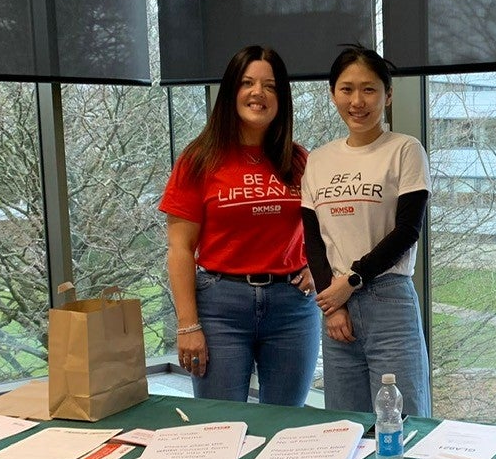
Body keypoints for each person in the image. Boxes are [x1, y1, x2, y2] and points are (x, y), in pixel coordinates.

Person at [159, 45, 320, 404]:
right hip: (220, 308)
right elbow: (180, 249)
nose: (257, 93)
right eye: (247, 83)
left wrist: (318, 267)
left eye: (270, 86)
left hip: (291, 307)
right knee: (220, 427)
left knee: (286, 426)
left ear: (282, 98)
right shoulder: (199, 159)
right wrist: (188, 325)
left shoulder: (298, 160)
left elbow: (328, 226)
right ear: (231, 92)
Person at [301, 45, 432, 416]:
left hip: (387, 300)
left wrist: (353, 280)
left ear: (388, 95)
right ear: (332, 95)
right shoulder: (318, 159)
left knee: (403, 423)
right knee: (346, 425)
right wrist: (332, 305)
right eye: (346, 89)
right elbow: (314, 241)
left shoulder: (405, 150)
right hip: (336, 304)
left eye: (369, 89)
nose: (357, 101)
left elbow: (407, 230)